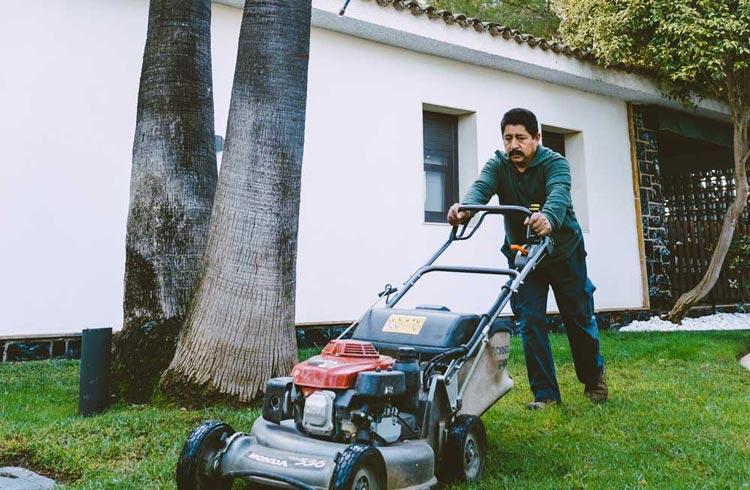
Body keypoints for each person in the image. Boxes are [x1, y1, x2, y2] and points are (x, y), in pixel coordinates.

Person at [447, 108, 607, 409]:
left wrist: (548, 217)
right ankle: (545, 395)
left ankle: (593, 378)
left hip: (563, 253)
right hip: (524, 257)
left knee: (578, 318)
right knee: (530, 321)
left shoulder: (555, 163)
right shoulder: (499, 164)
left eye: (521, 138)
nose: (513, 145)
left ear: (537, 137)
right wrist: (464, 209)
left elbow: (559, 194)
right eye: (508, 138)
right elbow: (481, 188)